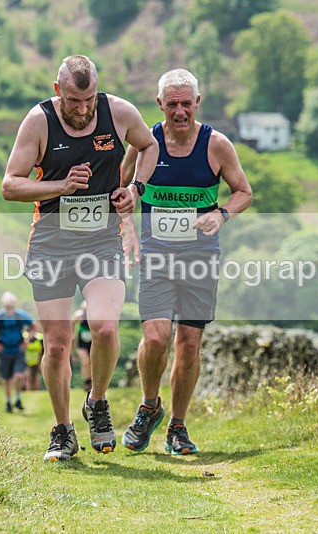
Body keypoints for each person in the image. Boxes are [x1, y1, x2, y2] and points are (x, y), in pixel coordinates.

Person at [1, 55, 158, 461]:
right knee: (56, 346)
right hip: (51, 243)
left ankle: (98, 402)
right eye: (73, 100)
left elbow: (149, 145)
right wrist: (61, 186)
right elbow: (10, 185)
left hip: (102, 239)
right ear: (58, 91)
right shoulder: (38, 122)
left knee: (104, 328)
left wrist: (136, 189)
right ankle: (63, 431)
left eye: (89, 99)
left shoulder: (119, 112)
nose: (83, 109)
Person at [120, 68, 253, 455]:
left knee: (190, 344)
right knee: (157, 337)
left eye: (186, 103)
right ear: (159, 104)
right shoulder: (146, 144)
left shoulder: (217, 145)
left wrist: (222, 214)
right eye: (172, 104)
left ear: (197, 102)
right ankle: (149, 405)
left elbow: (243, 191)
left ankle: (177, 426)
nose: (180, 111)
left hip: (199, 258)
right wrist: (126, 226)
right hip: (156, 256)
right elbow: (120, 186)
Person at [0, 291, 37, 413]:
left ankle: (17, 399)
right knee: (6, 378)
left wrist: (27, 341)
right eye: (7, 302)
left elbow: (33, 326)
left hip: (18, 350)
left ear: (14, 303)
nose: (9, 304)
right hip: (4, 351)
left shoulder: (20, 315)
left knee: (18, 375)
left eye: (10, 302)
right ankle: (8, 402)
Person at [72, 300, 92, 392]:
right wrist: (72, 334)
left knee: (92, 362)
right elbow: (71, 323)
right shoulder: (78, 315)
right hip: (81, 342)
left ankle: (93, 382)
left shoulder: (94, 315)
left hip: (92, 341)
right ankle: (86, 382)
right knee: (85, 361)